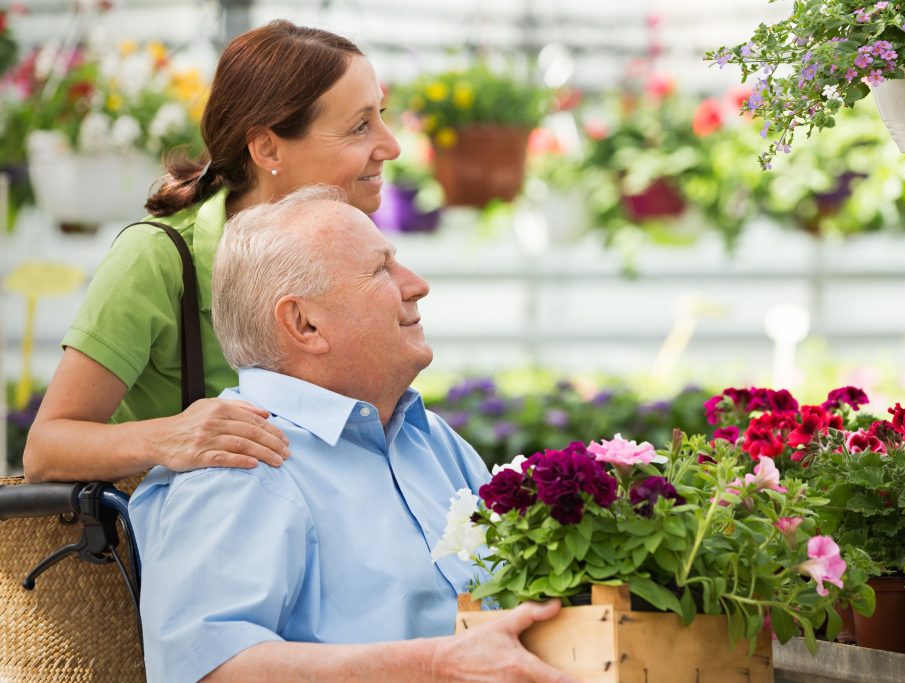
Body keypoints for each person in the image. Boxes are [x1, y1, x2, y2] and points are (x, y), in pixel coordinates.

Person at [129, 186, 574, 683]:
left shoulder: (431, 439)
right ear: (304, 323)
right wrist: (434, 667)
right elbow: (210, 670)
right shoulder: (240, 458)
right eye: (382, 269)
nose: (417, 285)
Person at [24, 20, 401, 482]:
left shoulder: (354, 245)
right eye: (360, 126)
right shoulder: (158, 258)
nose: (392, 145)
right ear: (267, 149)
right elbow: (45, 449)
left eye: (382, 115)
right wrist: (166, 437)